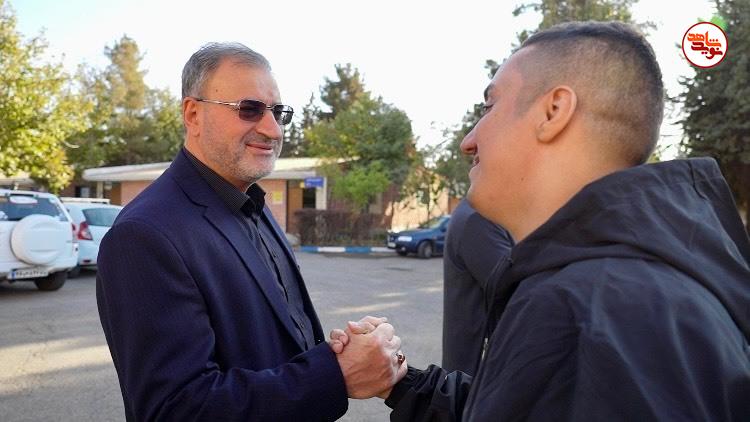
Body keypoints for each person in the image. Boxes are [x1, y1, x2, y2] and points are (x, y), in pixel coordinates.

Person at [333, 21, 750, 420]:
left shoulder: (587, 312)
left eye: (489, 107)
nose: (468, 141)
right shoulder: (627, 290)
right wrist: (402, 383)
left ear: (553, 111)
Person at [95, 42, 406, 421]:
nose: (272, 129)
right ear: (193, 114)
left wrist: (346, 354)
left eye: (278, 112)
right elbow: (176, 409)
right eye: (249, 109)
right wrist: (335, 374)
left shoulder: (253, 206)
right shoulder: (145, 235)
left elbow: (281, 344)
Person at [442, 198, 513, 375]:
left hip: (476, 368)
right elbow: (516, 286)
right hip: (476, 370)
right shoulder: (478, 218)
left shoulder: (479, 213)